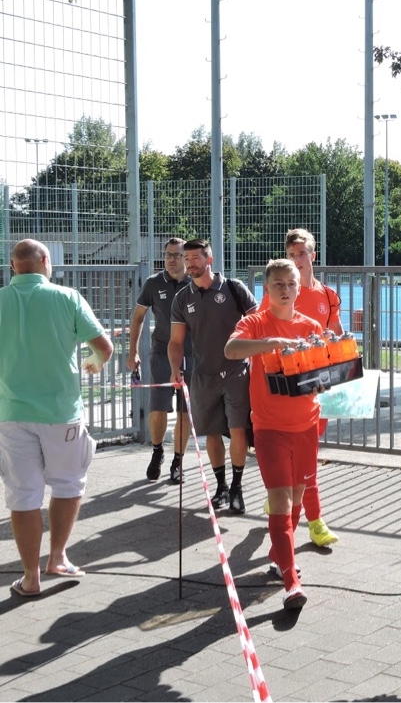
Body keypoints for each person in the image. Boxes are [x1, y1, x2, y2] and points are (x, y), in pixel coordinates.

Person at [0, 239, 113, 597]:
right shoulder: (67, 297)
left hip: (11, 412)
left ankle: (30, 577)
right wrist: (95, 362)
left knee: (23, 494)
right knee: (68, 484)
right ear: (46, 261)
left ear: (13, 266)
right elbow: (105, 347)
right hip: (62, 412)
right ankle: (58, 558)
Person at [225, 258, 322, 610]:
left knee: (296, 499)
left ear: (299, 288)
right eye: (278, 284)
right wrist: (270, 343)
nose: (285, 289)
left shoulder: (311, 326)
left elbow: (321, 370)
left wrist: (327, 378)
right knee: (280, 500)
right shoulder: (255, 322)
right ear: (266, 289)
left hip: (307, 426)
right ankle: (291, 583)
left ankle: (278, 554)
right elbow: (231, 350)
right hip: (270, 429)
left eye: (291, 283)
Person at [256, 228, 342, 548]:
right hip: (285, 393)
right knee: (300, 464)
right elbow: (262, 335)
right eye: (290, 254)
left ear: (313, 256)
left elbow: (334, 337)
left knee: (305, 460)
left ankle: (283, 508)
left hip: (315, 390)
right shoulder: (278, 292)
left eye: (301, 253)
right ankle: (314, 521)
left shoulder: (328, 296)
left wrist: (341, 371)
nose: (296, 259)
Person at [168, 238, 258, 514]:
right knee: (211, 433)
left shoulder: (234, 288)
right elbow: (176, 341)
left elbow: (259, 323)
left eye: (196, 258)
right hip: (202, 376)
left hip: (236, 372)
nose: (190, 263)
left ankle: (237, 488)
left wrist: (258, 357)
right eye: (186, 259)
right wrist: (175, 369)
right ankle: (221, 487)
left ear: (210, 259)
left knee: (238, 430)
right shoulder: (182, 298)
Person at [127, 237, 192, 483]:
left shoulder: (195, 281)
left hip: (191, 355)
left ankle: (178, 461)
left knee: (185, 410)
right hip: (161, 353)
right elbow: (138, 317)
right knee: (158, 408)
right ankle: (157, 451)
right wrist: (132, 352)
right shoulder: (153, 283)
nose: (172, 260)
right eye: (168, 255)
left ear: (186, 258)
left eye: (177, 255)